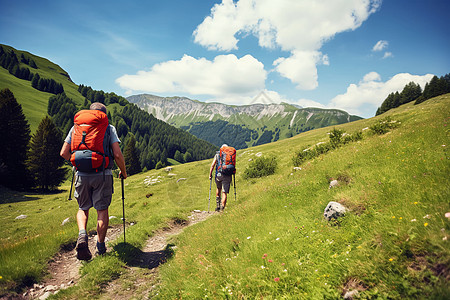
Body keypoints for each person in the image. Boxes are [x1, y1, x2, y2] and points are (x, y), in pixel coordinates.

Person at [60, 102, 127, 260]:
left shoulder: (76, 127)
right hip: (102, 174)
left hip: (81, 174)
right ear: (104, 115)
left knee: (83, 208)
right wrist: (123, 172)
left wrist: (78, 161)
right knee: (102, 210)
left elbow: (63, 152)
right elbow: (117, 154)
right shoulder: (108, 128)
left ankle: (82, 234)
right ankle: (100, 247)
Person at [209, 144, 232, 212]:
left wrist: (210, 175)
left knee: (218, 189)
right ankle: (222, 208)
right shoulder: (229, 155)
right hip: (227, 175)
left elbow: (212, 165)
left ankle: (218, 206)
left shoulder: (217, 155)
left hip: (218, 175)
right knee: (224, 192)